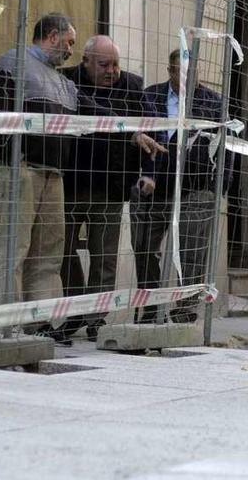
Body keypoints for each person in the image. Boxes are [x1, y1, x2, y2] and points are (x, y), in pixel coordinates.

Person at [47, 35, 164, 341]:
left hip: (111, 185)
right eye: (104, 64)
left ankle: (97, 316)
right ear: (85, 61)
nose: (113, 71)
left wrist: (148, 173)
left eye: (116, 64)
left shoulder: (133, 86)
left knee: (105, 255)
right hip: (71, 182)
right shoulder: (65, 80)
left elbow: (150, 131)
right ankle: (75, 310)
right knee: (64, 251)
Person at [0, 13, 92, 316]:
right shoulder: (13, 64)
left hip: (53, 174)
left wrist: (133, 130)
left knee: (49, 252)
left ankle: (43, 320)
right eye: (70, 42)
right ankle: (8, 321)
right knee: (15, 248)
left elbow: (91, 110)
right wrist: (11, 161)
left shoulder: (64, 82)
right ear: (52, 37)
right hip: (22, 169)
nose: (71, 50)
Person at [133, 49, 230, 324]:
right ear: (170, 70)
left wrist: (217, 188)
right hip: (154, 187)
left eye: (192, 71)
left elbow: (228, 147)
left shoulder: (214, 103)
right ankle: (150, 308)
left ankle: (185, 309)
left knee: (191, 249)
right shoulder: (150, 96)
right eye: (180, 71)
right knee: (144, 246)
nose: (187, 76)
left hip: (196, 187)